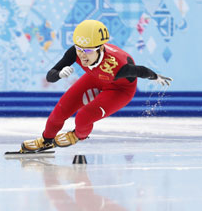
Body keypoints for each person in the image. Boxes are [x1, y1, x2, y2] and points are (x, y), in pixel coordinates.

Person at [21, 19, 173, 153]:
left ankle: (78, 136)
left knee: (83, 117)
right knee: (60, 111)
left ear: (100, 48)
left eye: (87, 51)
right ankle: (46, 140)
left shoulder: (118, 66)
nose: (82, 55)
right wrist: (59, 74)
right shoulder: (75, 52)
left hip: (120, 90)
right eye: (79, 49)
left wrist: (156, 77)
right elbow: (50, 75)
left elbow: (140, 70)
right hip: (95, 78)